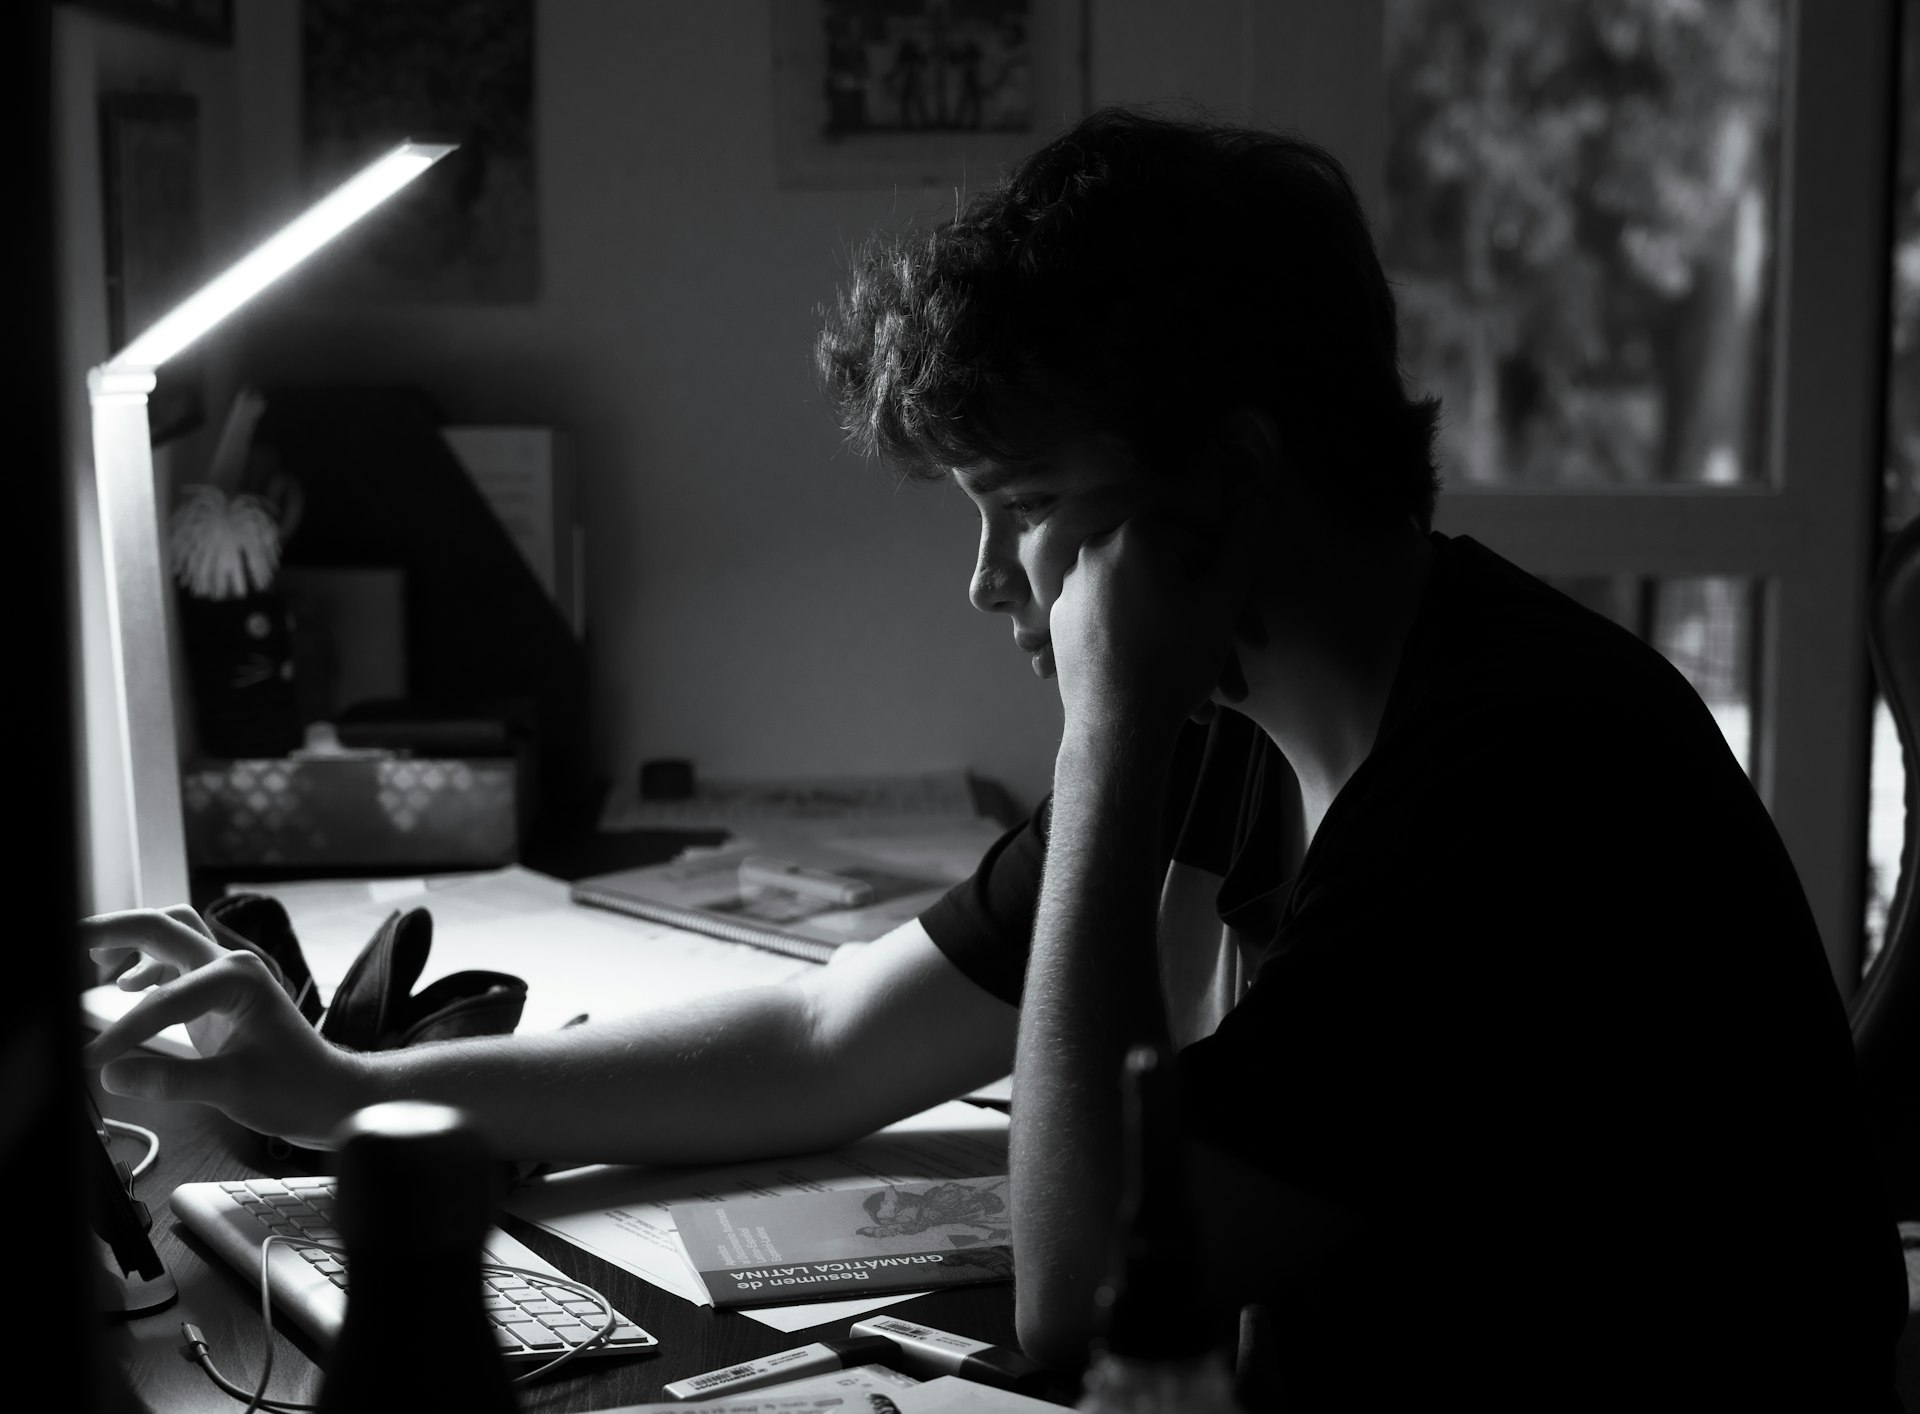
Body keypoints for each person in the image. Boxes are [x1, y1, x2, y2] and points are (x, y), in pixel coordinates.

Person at [84, 108, 1904, 1408]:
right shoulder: (1260, 716)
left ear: (1235, 483)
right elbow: (822, 1038)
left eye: (1026, 510)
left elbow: (1080, 1289)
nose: (983, 582)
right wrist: (333, 1090)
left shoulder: (1516, 782)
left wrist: (1105, 731)